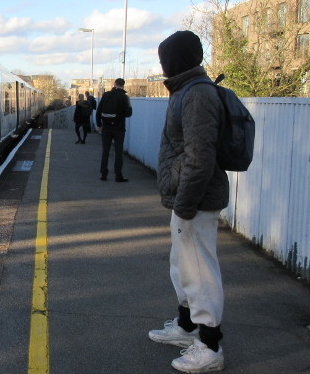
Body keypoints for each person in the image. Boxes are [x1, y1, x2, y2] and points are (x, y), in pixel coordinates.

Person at [149, 30, 229, 373]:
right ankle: (186, 327)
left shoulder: (196, 94)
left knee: (199, 271)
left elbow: (200, 156)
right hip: (186, 197)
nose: (163, 65)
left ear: (176, 60)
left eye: (165, 59)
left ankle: (210, 346)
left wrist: (185, 201)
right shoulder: (187, 90)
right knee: (182, 265)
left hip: (194, 199)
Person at [95, 78, 132, 182]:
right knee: (118, 152)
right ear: (123, 85)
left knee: (105, 151)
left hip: (106, 127)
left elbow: (98, 111)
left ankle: (103, 174)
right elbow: (128, 114)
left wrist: (99, 125)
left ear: (114, 84)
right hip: (119, 128)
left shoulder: (106, 95)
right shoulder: (124, 97)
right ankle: (118, 175)